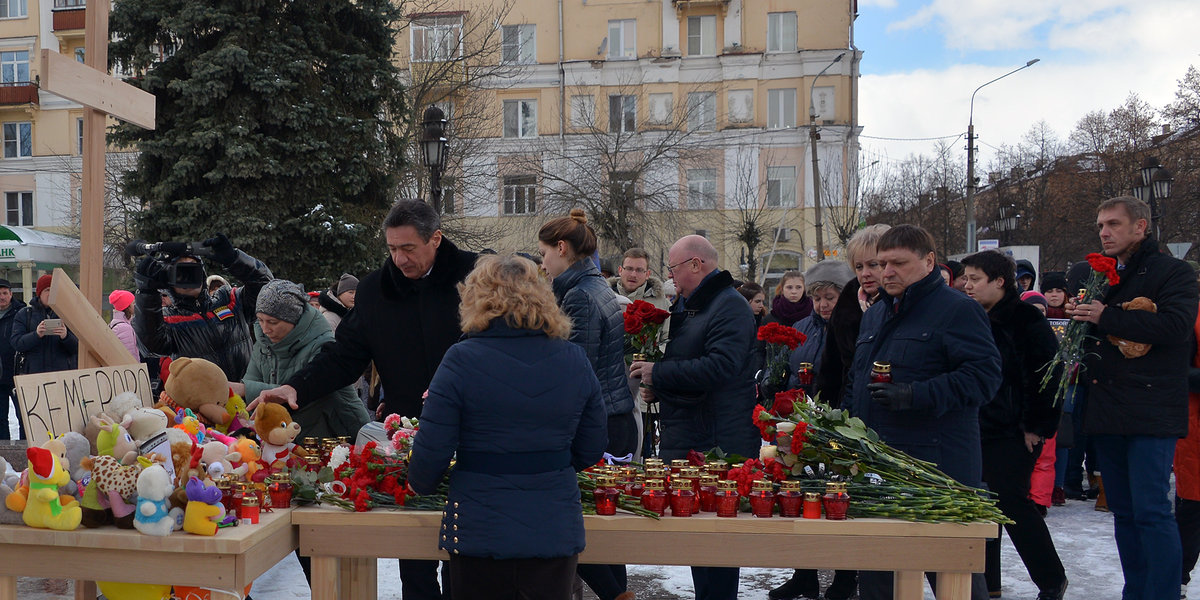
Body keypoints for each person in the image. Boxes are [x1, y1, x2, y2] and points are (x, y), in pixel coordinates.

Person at [252, 199, 477, 600]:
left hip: (474, 433)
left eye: (408, 248)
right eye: (392, 248)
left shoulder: (475, 277)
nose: (399, 258)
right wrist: (297, 387)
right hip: (410, 436)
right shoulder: (376, 291)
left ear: (436, 239)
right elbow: (343, 356)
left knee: (467, 557)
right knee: (415, 556)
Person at [407, 255, 607, 600]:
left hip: (479, 529)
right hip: (552, 526)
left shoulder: (460, 359)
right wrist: (545, 465)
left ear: (475, 298)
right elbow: (591, 447)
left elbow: (427, 465)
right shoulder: (573, 359)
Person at [846, 225, 1001, 600]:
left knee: (952, 575)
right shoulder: (875, 313)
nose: (886, 273)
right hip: (880, 466)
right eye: (882, 264)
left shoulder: (957, 309)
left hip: (938, 468)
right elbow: (857, 379)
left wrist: (916, 394)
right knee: (879, 574)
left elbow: (984, 378)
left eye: (898, 263)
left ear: (929, 261)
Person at [1069, 196, 1198, 600]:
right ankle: (1135, 592)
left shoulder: (1173, 271)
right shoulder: (1102, 277)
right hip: (1107, 407)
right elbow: (1100, 337)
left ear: (1140, 226)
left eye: (1113, 224)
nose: (1104, 232)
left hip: (1151, 408)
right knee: (1123, 514)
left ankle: (1162, 594)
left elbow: (1176, 328)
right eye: (1100, 225)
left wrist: (1104, 316)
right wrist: (1079, 324)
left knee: (1152, 512)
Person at [630, 235, 757, 600]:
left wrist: (661, 374)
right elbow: (689, 364)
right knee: (700, 543)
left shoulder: (728, 306)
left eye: (673, 269)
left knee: (716, 543)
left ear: (696, 265)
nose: (670, 277)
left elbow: (721, 367)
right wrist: (661, 385)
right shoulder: (695, 306)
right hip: (695, 433)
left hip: (716, 440)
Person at [537, 209, 635, 600]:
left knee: (581, 528)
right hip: (613, 417)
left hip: (599, 426)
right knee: (604, 530)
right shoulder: (594, 286)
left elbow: (577, 375)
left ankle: (618, 596)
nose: (542, 261)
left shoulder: (579, 295)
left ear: (562, 248)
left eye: (543, 252)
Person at [961, 251, 1068, 600]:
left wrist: (1036, 425)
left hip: (1015, 430)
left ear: (999, 281)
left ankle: (1051, 580)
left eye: (975, 279)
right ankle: (987, 581)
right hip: (975, 425)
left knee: (1012, 504)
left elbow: (1048, 376)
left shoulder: (1025, 319)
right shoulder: (969, 315)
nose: (967, 285)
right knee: (981, 505)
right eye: (966, 278)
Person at [771, 259, 857, 600]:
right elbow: (792, 372)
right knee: (800, 497)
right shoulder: (805, 326)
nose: (823, 304)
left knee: (838, 502)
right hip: (802, 425)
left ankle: (846, 577)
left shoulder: (852, 326)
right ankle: (804, 574)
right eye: (818, 297)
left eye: (831, 297)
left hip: (839, 428)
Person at [234, 279, 369, 440]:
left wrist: (368, 442)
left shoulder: (323, 347)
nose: (265, 329)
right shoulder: (263, 344)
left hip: (317, 446)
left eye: (273, 322)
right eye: (260, 320)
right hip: (274, 444)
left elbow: (306, 395)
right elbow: (252, 395)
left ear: (294, 319)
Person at [133, 233, 273, 382]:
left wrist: (234, 259)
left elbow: (268, 293)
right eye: (181, 272)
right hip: (203, 401)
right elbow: (151, 346)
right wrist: (146, 292)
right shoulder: (169, 319)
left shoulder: (229, 300)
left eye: (192, 270)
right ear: (170, 280)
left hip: (248, 396)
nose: (188, 277)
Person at [815, 224, 890, 408]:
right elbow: (831, 365)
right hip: (849, 408)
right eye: (858, 266)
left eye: (873, 265)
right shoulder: (848, 300)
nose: (865, 273)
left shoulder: (899, 303)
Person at [608, 247, 671, 461]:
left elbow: (667, 339)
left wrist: (652, 358)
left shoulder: (661, 303)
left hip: (645, 384)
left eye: (639, 270)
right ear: (620, 270)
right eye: (629, 268)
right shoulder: (606, 298)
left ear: (648, 274)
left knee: (644, 445)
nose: (633, 274)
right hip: (612, 378)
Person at [1176, 296, 1200, 597]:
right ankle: (1178, 577)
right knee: (1192, 508)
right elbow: (1180, 369)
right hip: (1196, 427)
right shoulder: (1193, 315)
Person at [12, 274, 79, 375]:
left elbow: (78, 348)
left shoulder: (68, 314)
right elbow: (16, 343)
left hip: (63, 377)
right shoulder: (25, 314)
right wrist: (36, 335)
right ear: (39, 293)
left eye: (54, 289)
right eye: (47, 290)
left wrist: (65, 336)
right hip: (34, 377)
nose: (51, 293)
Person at [0, 279, 26, 440]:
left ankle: (27, 450)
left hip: (18, 374)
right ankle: (4, 453)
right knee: (1, 418)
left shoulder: (22, 312)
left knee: (23, 416)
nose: (1, 297)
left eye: (4, 293)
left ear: (11, 294)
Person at [108, 289, 139, 361]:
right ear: (127, 306)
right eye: (133, 303)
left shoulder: (115, 324)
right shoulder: (124, 328)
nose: (136, 306)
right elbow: (130, 353)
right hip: (129, 369)